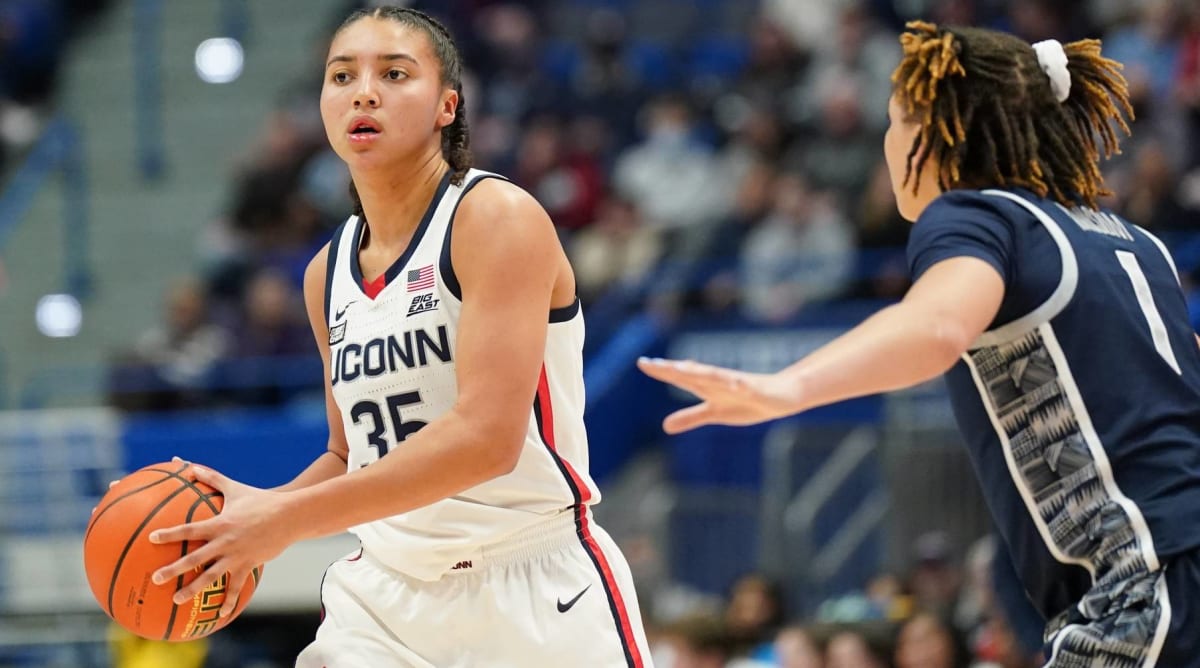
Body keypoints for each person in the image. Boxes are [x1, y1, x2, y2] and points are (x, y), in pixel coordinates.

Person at [639, 21, 1200, 666]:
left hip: (1145, 586)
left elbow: (936, 325)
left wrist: (786, 387)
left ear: (933, 135)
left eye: (892, 121)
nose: (887, 142)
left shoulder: (978, 215)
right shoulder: (1134, 242)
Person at [145, 7, 652, 667]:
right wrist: (254, 517)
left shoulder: (496, 218)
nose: (363, 92)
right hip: (385, 597)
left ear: (447, 105)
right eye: (341, 76)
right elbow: (347, 453)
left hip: (531, 587)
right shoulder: (326, 272)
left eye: (393, 74)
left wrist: (285, 521)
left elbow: (487, 440)